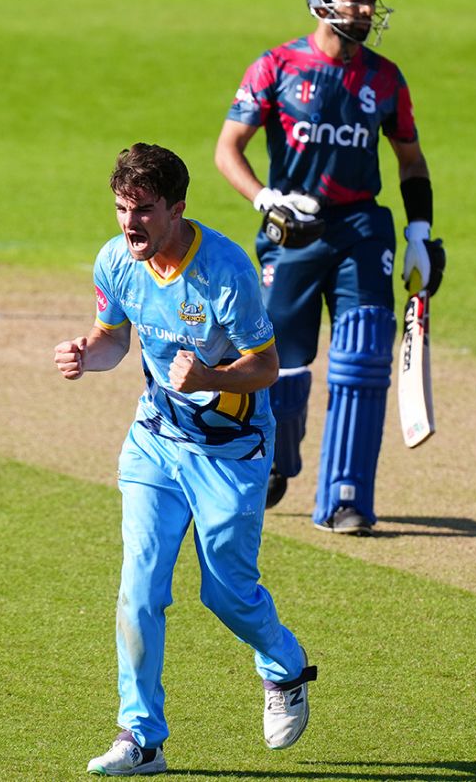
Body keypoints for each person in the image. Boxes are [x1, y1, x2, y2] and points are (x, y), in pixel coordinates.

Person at [55, 143, 317, 776]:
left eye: (142, 210)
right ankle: (140, 736)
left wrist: (207, 376)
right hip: (155, 442)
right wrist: (84, 356)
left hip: (231, 453)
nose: (128, 223)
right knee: (138, 589)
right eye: (121, 208)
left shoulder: (227, 270)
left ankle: (283, 667)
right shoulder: (115, 260)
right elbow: (114, 338)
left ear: (176, 208)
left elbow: (267, 366)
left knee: (225, 594)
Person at [215, 0, 445, 536]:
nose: (366, 8)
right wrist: (265, 199)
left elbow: (411, 162)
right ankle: (276, 459)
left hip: (363, 229)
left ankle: (346, 497)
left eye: (372, 0)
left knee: (364, 355)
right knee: (278, 367)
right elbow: (228, 150)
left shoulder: (385, 78)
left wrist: (419, 231)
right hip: (293, 229)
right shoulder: (276, 66)